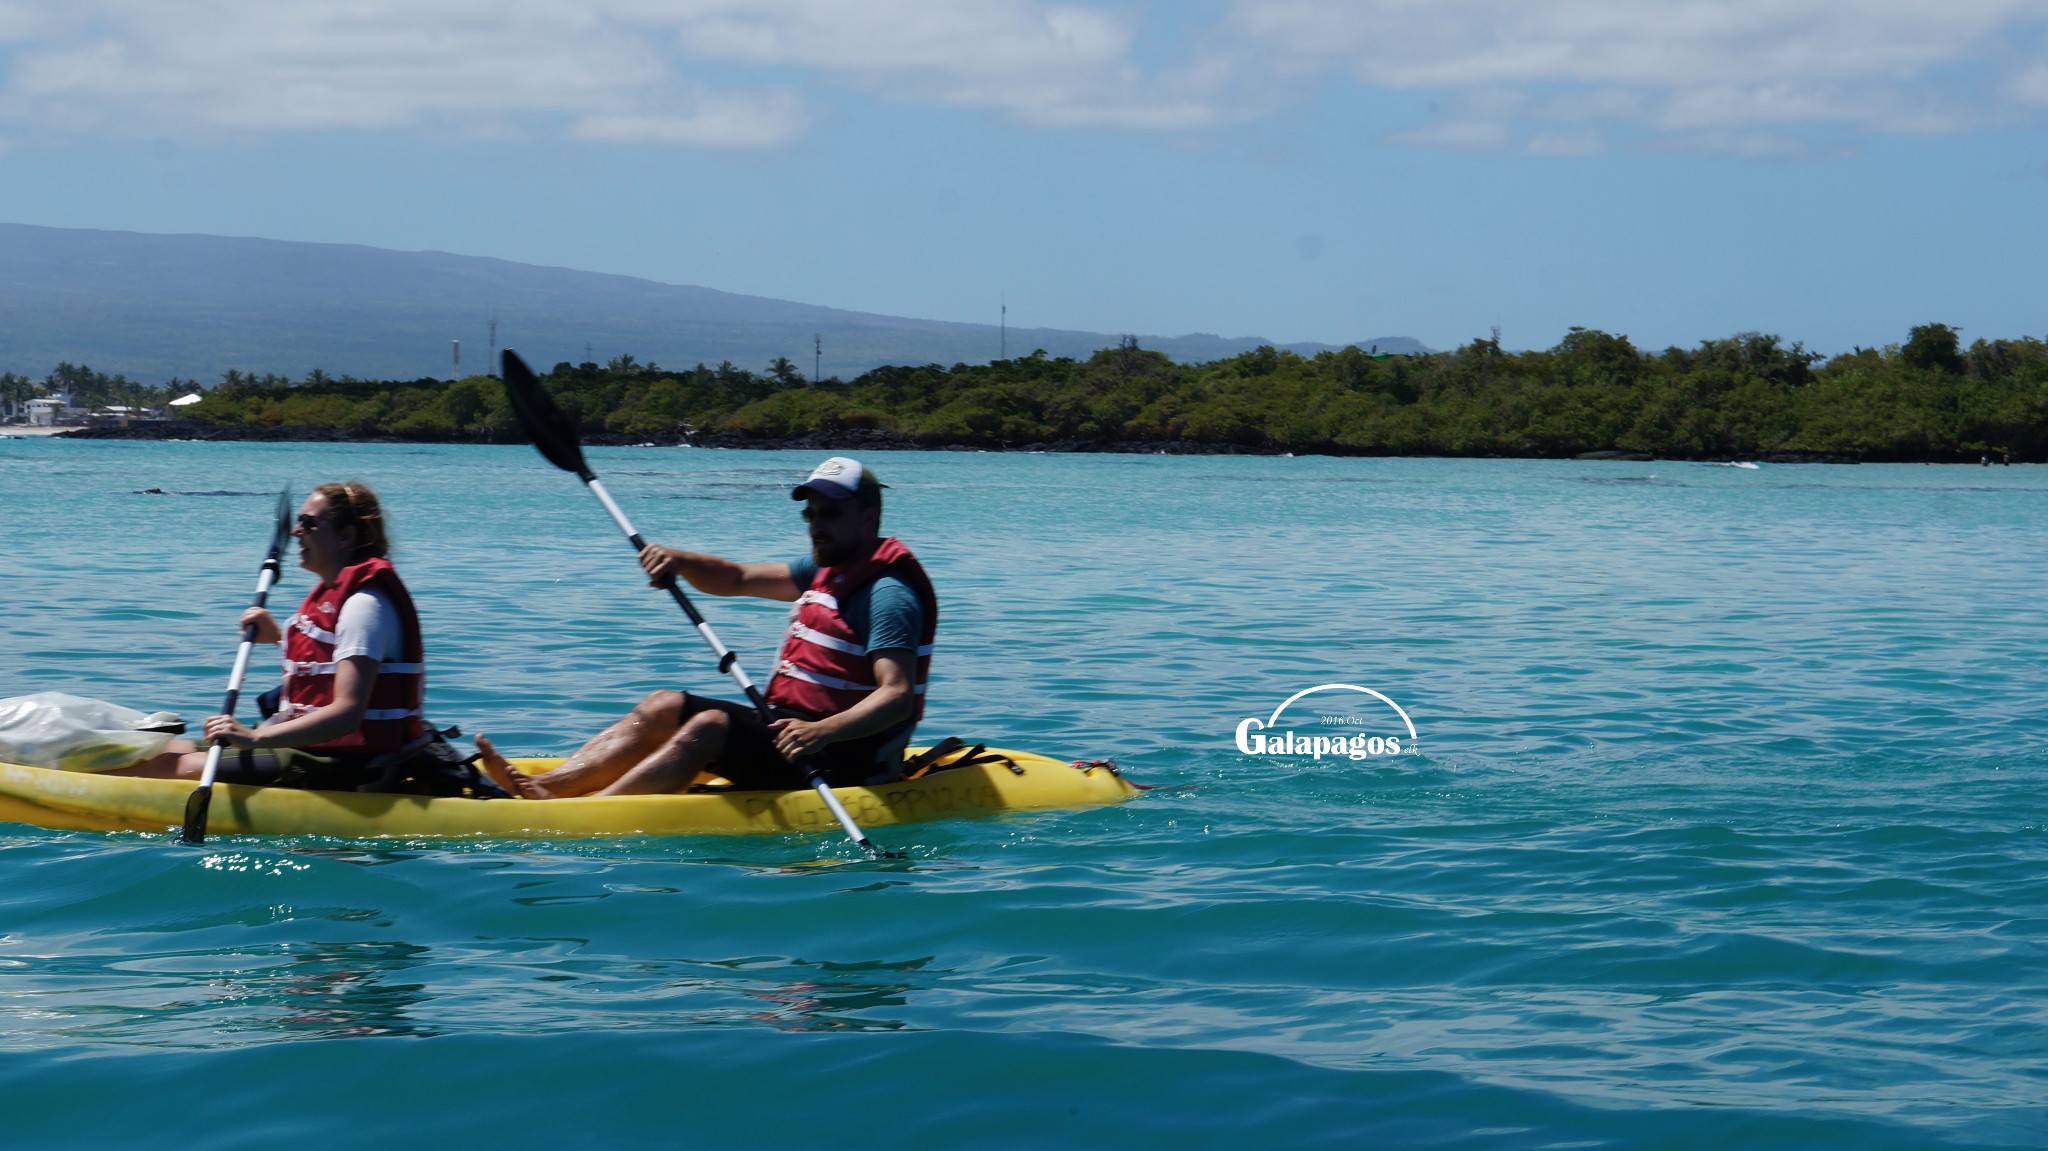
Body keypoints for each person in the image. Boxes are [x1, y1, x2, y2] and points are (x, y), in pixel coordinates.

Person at [477, 456, 936, 798]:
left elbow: (895, 697)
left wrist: (823, 732)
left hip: (841, 759)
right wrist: (677, 560)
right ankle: (546, 786)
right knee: (662, 705)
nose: (815, 525)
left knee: (712, 726)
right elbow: (735, 578)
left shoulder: (887, 594)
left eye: (830, 514)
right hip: (791, 733)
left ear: (869, 516)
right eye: (810, 514)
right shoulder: (824, 570)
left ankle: (589, 811)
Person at [117, 481, 430, 788]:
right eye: (297, 522)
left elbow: (347, 714)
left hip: (349, 762)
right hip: (315, 744)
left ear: (346, 536)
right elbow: (334, 662)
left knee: (171, 766)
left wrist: (254, 738)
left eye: (309, 524)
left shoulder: (364, 606)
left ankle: (81, 795)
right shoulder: (340, 596)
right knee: (169, 749)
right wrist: (280, 639)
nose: (296, 532)